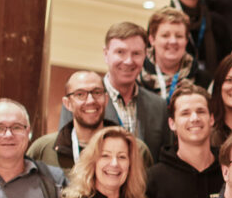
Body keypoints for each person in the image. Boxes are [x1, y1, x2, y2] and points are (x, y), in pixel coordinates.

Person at [59, 21, 169, 161]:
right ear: (106, 54)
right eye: (120, 52)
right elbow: (65, 153)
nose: (128, 61)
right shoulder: (80, 100)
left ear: (145, 55)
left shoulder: (159, 106)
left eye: (136, 53)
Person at [30, 71, 152, 177]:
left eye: (97, 92)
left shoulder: (136, 150)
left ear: (106, 99)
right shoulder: (43, 149)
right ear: (68, 104)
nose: (90, 101)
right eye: (80, 94)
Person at [168, 0, 232, 87]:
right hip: (171, 89)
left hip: (211, 89)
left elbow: (227, 64)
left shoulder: (217, 22)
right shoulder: (163, 20)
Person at [140, 7, 194, 102]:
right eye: (165, 35)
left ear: (186, 40)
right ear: (152, 40)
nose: (173, 41)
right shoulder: (136, 76)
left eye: (179, 36)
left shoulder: (203, 80)